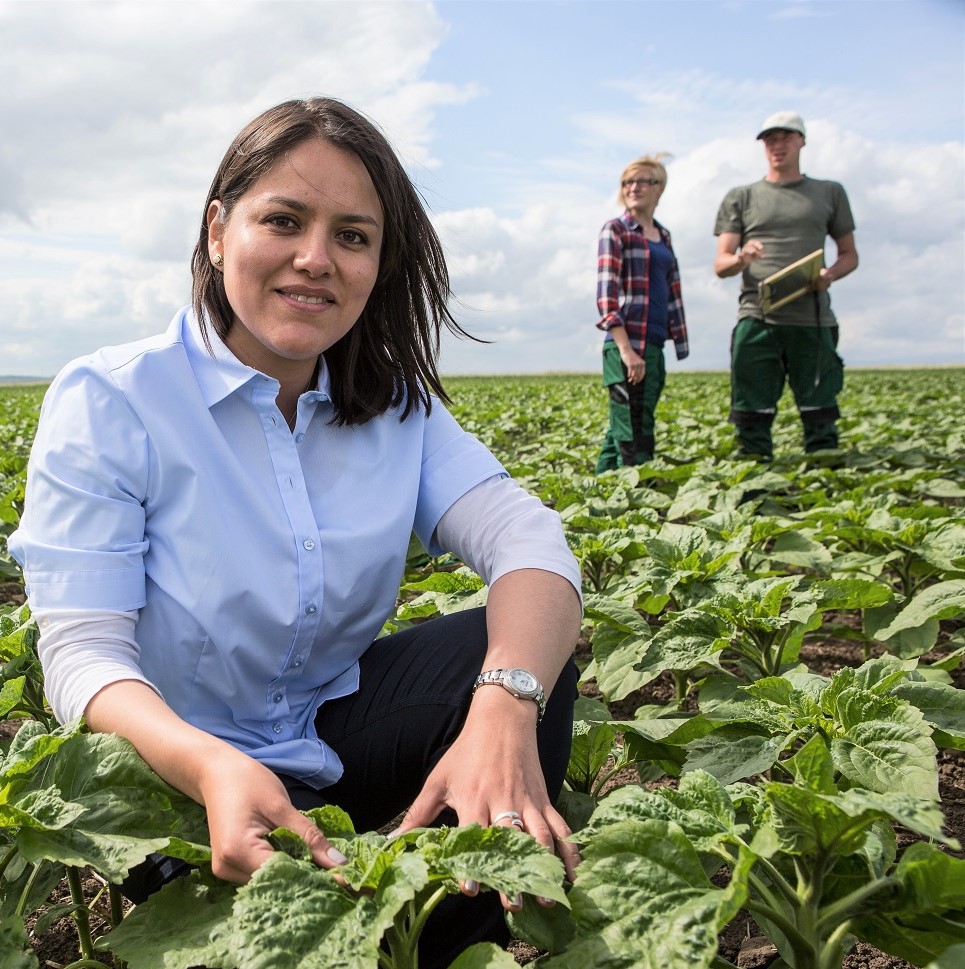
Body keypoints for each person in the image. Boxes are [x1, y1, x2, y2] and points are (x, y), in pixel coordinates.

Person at [9, 97, 583, 968]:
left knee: (514, 658)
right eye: (283, 220)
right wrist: (208, 767)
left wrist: (503, 703)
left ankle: (454, 947)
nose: (316, 258)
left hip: (324, 737)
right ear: (217, 230)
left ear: (379, 261)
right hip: (176, 783)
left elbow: (530, 545)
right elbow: (84, 656)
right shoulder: (114, 399)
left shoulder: (396, 409)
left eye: (352, 235)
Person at [713, 110, 859, 460]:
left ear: (801, 141)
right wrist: (742, 258)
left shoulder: (829, 192)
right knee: (751, 414)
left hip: (812, 317)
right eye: (770, 139)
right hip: (757, 315)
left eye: (785, 137)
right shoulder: (742, 196)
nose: (777, 145)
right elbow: (721, 263)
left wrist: (829, 275)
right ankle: (756, 483)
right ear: (763, 146)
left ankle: (825, 487)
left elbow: (849, 255)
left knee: (820, 411)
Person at [594, 154, 690, 472]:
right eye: (627, 182)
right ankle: (629, 495)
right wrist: (626, 350)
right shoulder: (616, 230)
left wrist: (677, 340)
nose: (634, 188)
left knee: (631, 423)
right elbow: (607, 294)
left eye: (643, 181)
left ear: (659, 188)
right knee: (631, 431)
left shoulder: (663, 236)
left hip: (653, 343)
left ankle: (598, 496)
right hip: (626, 344)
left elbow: (672, 290)